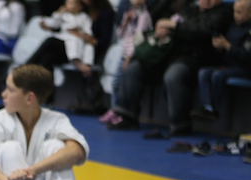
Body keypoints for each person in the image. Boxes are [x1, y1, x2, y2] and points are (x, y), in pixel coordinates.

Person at [109, 0, 232, 134]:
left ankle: (180, 124)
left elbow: (202, 30)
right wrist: (162, 29)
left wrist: (174, 26)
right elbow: (169, 20)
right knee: (134, 69)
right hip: (170, 54)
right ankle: (126, 116)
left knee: (174, 75)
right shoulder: (190, 10)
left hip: (196, 58)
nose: (206, 0)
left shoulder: (223, 13)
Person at [192, 0, 251, 121]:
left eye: (239, 12)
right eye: (234, 11)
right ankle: (207, 107)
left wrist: (227, 46)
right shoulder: (233, 26)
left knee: (218, 75)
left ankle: (214, 109)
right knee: (203, 72)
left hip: (244, 68)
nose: (235, 15)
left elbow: (246, 55)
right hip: (228, 64)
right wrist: (219, 47)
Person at [99, 0, 152, 124]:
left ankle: (119, 112)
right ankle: (115, 110)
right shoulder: (130, 13)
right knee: (116, 83)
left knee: (121, 83)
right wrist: (125, 21)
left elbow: (139, 39)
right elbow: (120, 34)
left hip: (133, 56)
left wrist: (129, 58)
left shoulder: (144, 16)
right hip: (124, 54)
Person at [25, 0, 95, 77]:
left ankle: (27, 66)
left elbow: (88, 35)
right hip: (62, 43)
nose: (68, 6)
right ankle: (45, 82)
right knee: (48, 58)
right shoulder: (65, 15)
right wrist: (59, 12)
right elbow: (54, 24)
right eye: (67, 3)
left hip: (76, 47)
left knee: (50, 41)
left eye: (71, 4)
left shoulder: (84, 17)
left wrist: (78, 34)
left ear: (79, 7)